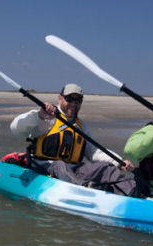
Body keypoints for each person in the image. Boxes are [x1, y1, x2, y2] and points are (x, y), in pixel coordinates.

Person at [8, 84, 144, 197]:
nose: (73, 104)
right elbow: (16, 128)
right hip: (46, 167)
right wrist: (39, 115)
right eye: (69, 99)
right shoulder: (47, 117)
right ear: (60, 98)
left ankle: (132, 193)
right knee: (60, 165)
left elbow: (93, 152)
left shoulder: (80, 125)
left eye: (78, 100)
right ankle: (84, 191)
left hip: (73, 170)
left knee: (106, 168)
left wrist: (118, 162)